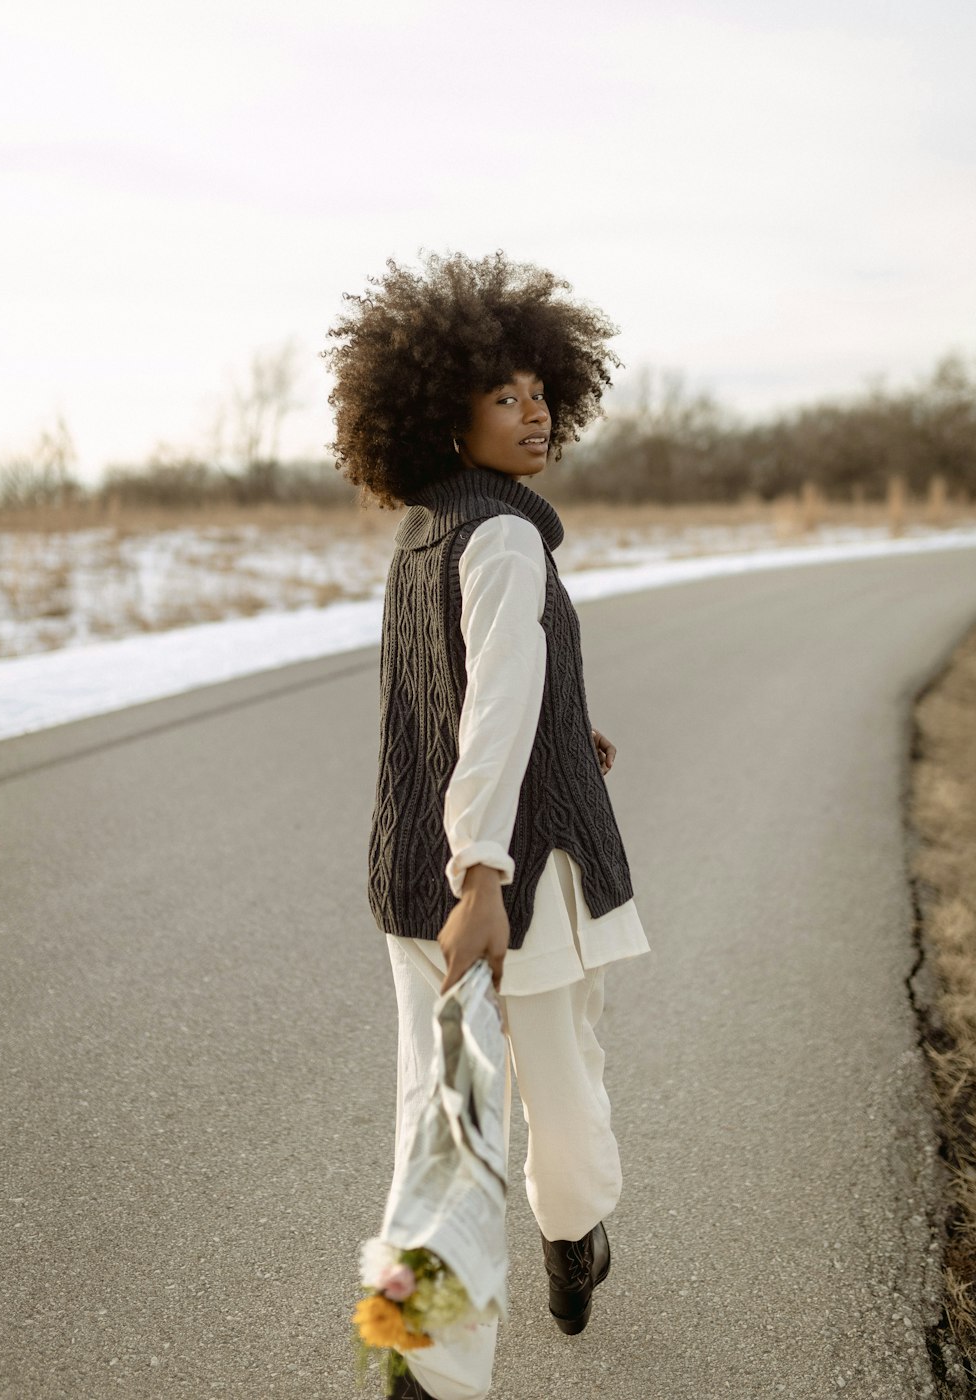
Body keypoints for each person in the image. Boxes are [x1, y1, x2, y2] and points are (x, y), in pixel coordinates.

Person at [325, 250, 650, 1400]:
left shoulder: (423, 534)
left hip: (412, 876)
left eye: (540, 392)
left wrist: (572, 730)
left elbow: (468, 698)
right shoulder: (507, 537)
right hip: (508, 880)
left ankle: (423, 1363)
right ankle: (573, 1244)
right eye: (505, 394)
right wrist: (484, 872)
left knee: (441, 1113)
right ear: (445, 411)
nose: (535, 412)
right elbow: (495, 704)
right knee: (555, 1089)